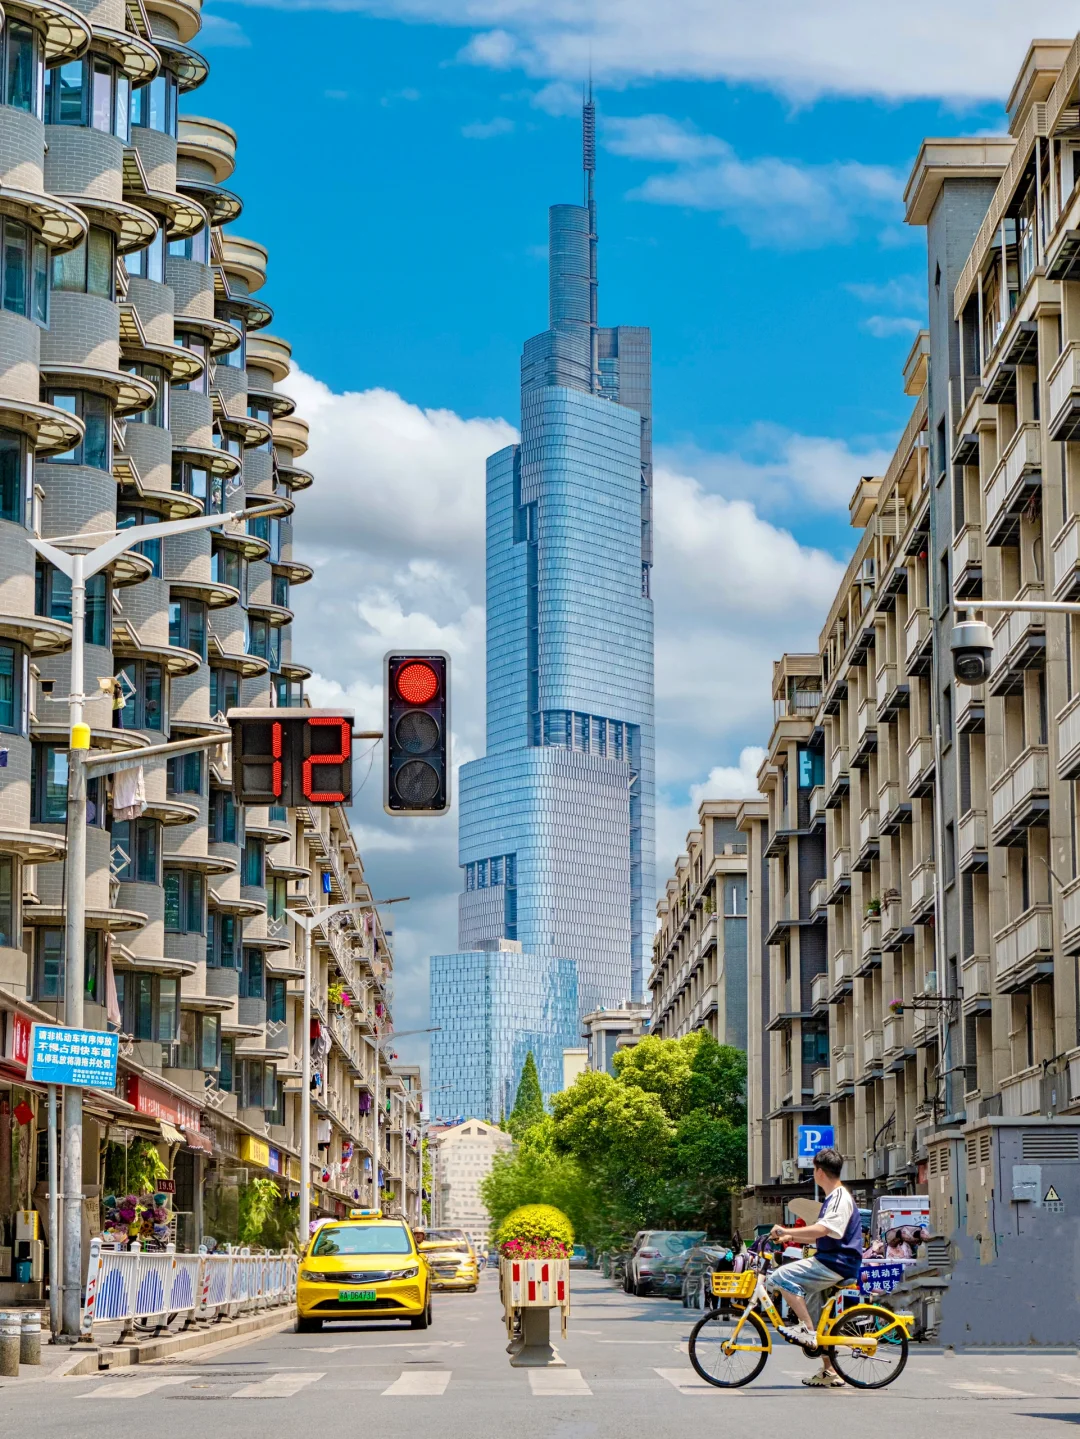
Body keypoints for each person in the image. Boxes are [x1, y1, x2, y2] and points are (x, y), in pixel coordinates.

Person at [767, 1146, 863, 1389]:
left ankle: (806, 1330)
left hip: (836, 1263)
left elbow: (823, 1230)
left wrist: (788, 1230)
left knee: (779, 1276)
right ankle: (829, 1370)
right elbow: (822, 1236)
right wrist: (792, 1238)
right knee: (816, 1314)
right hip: (832, 1260)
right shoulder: (833, 1198)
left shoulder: (840, 1198)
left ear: (819, 1172)